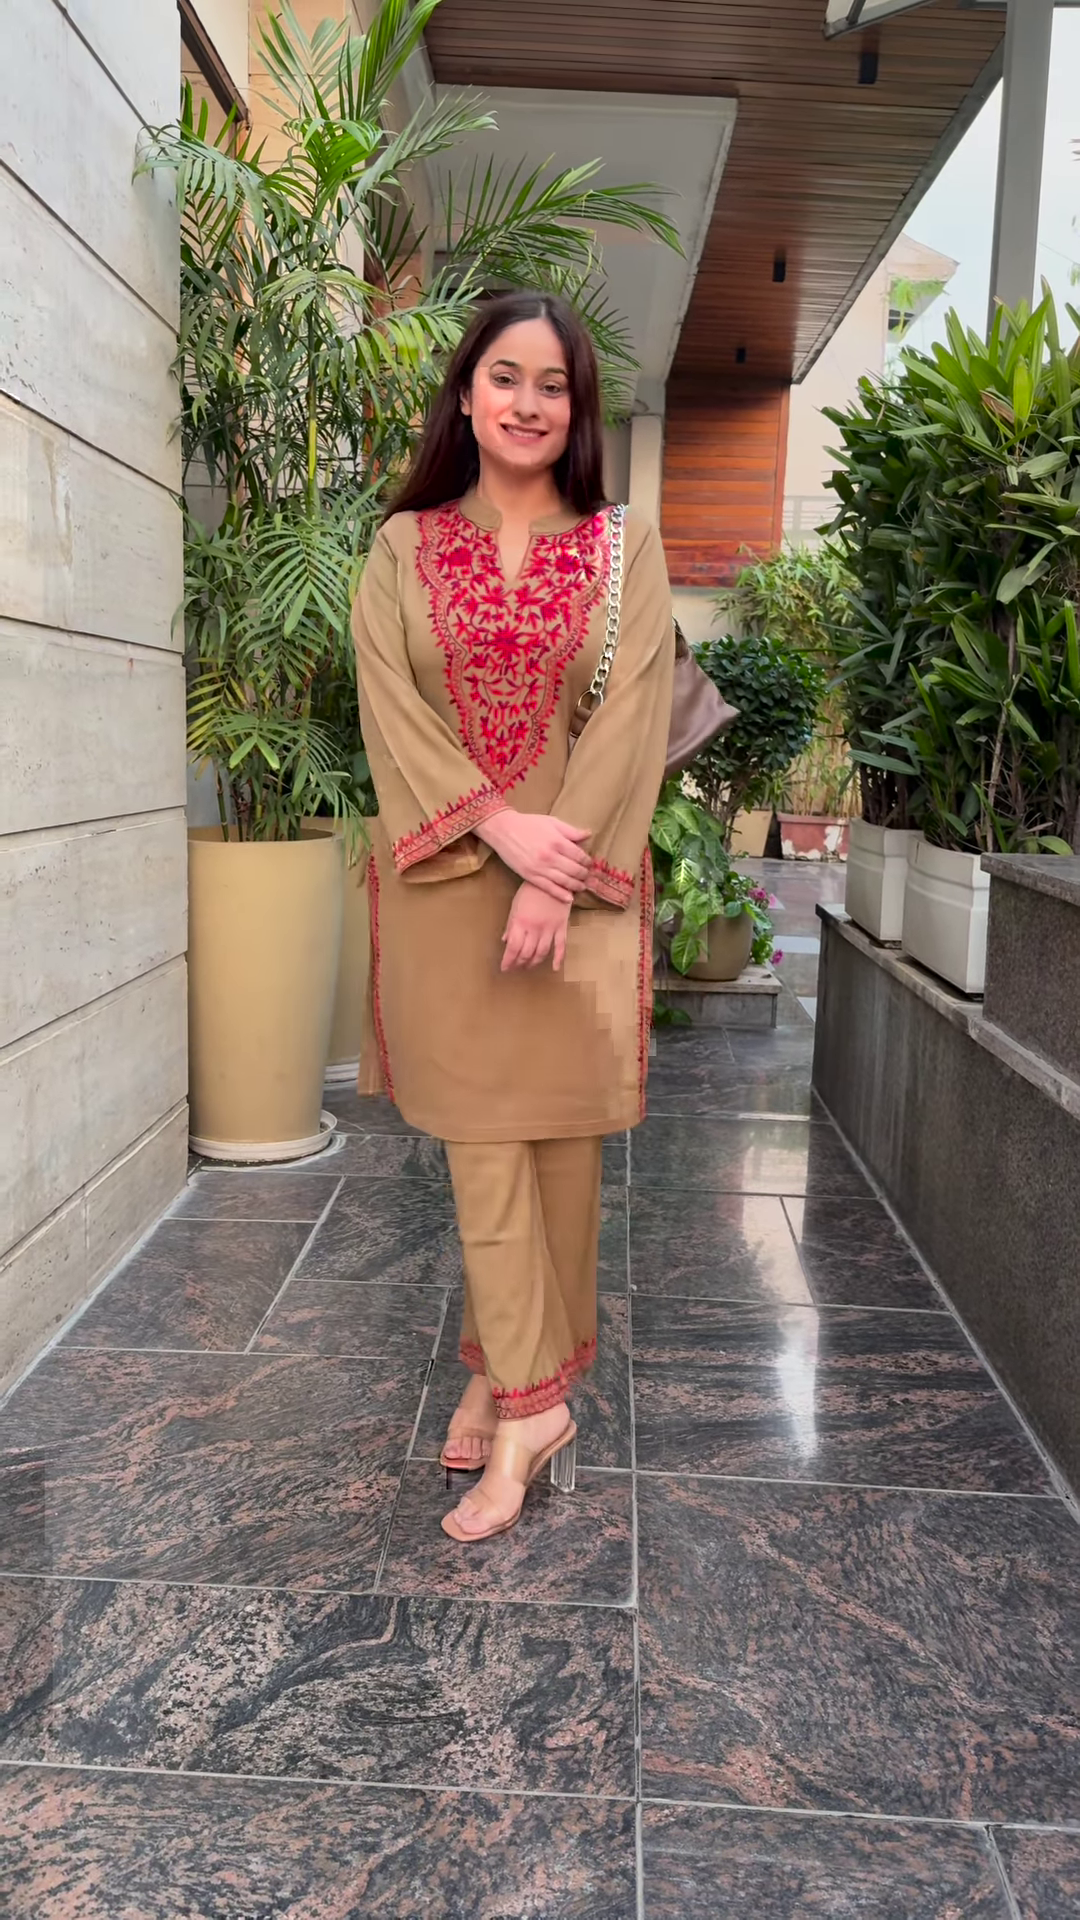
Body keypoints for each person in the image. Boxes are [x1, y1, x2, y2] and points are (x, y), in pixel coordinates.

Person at [351, 289, 673, 1543]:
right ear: (466, 392)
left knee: (559, 1148)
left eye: (554, 385)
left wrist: (551, 873)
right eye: (505, 377)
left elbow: (633, 716)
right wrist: (497, 828)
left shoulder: (621, 547)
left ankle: (503, 1378)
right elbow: (391, 709)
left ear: (578, 409)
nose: (528, 404)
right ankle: (538, 1408)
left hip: (578, 884)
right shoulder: (404, 546)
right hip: (447, 884)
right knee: (483, 1142)